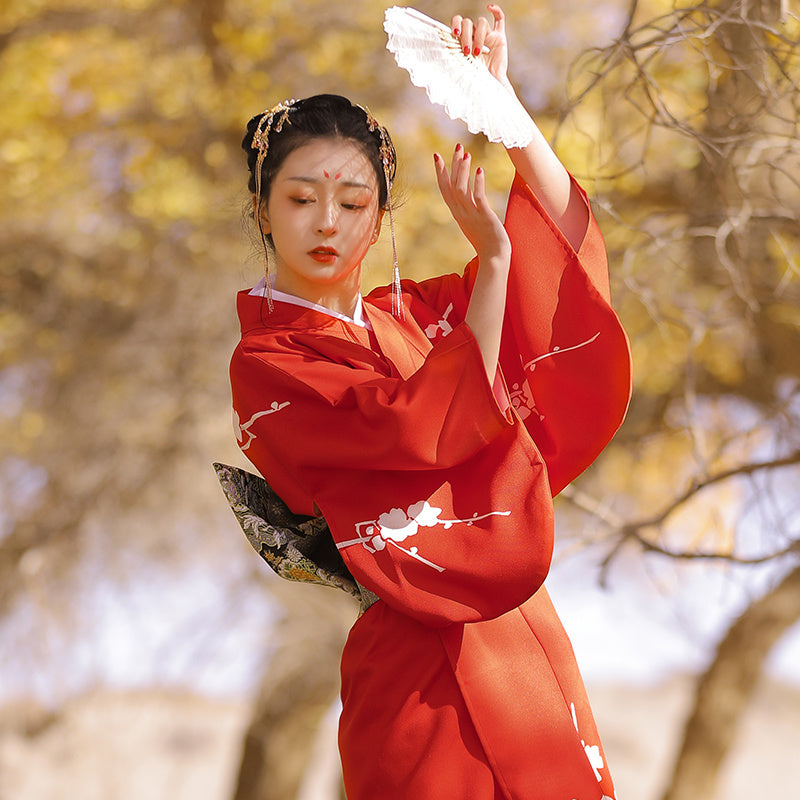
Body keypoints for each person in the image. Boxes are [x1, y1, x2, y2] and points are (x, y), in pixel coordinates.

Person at [225, 5, 630, 798]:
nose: (329, 223)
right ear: (261, 209)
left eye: (353, 201)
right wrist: (496, 265)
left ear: (381, 215)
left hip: (518, 644)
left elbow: (556, 287)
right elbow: (421, 429)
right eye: (302, 198)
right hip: (416, 669)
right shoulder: (269, 361)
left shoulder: (411, 321)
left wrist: (505, 111)